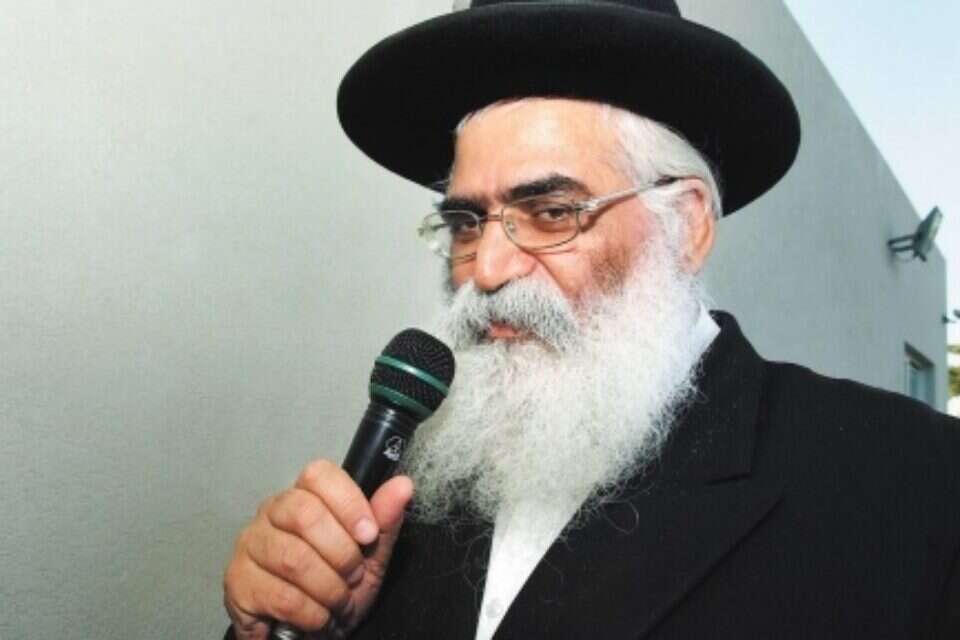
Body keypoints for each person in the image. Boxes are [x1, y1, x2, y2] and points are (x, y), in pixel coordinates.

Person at [222, 1, 960, 638]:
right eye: (466, 222)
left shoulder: (916, 488)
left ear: (687, 226)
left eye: (551, 212)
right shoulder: (411, 490)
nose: (486, 270)